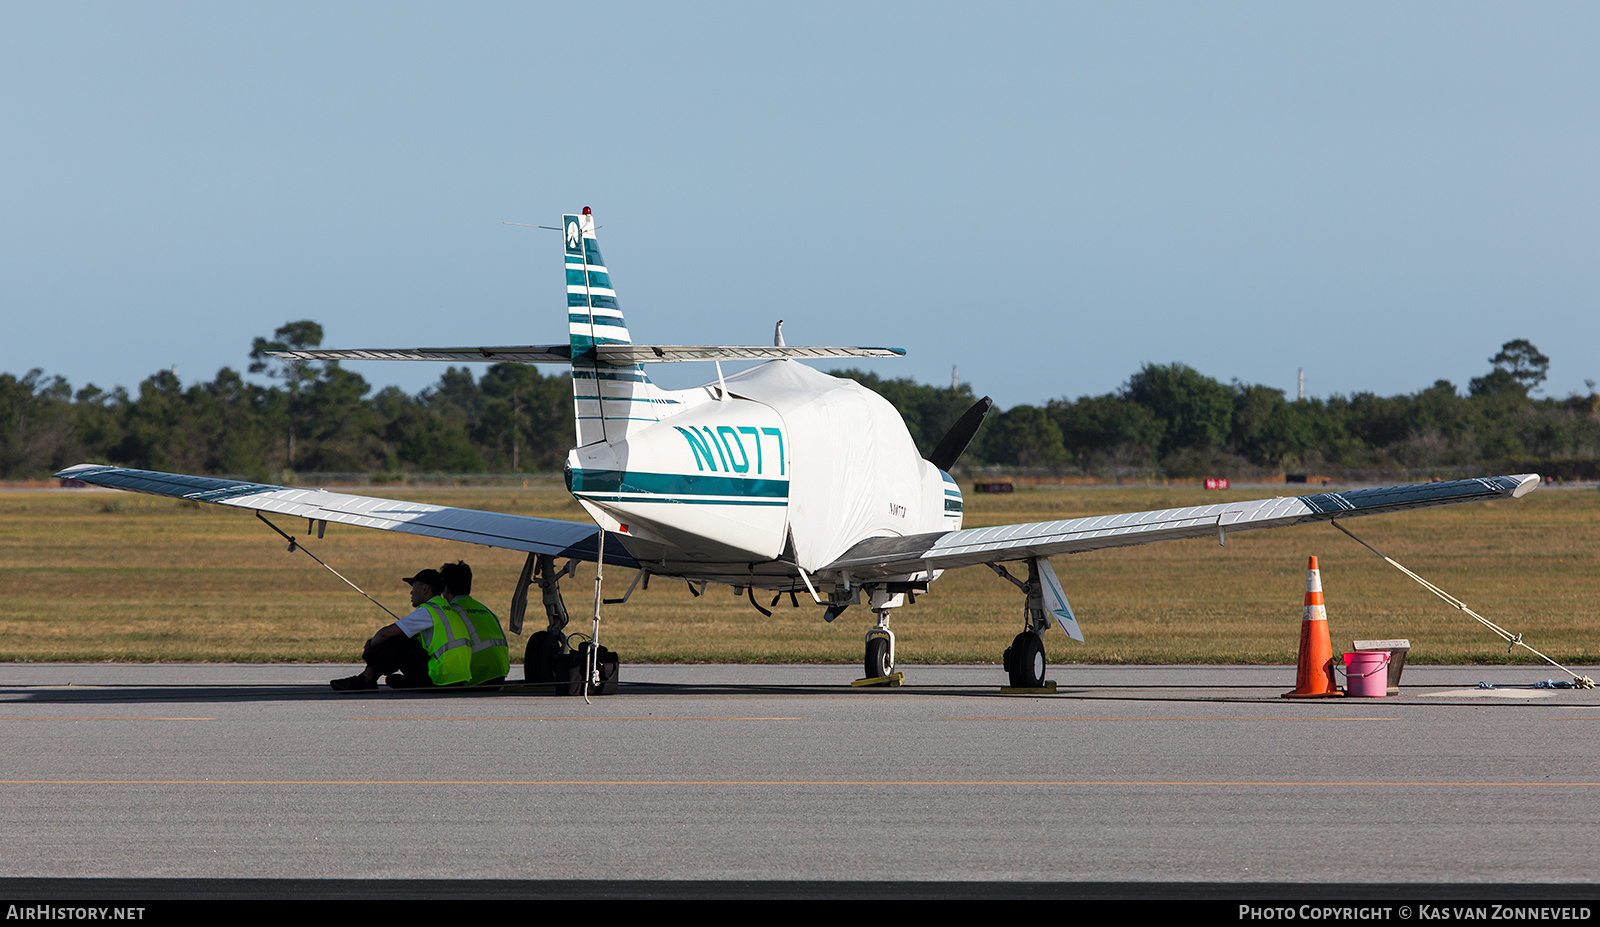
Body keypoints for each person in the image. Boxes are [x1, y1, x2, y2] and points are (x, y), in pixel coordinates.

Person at [329, 568, 473, 692]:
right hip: (457, 679)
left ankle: (366, 679)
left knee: (397, 638)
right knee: (405, 639)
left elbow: (385, 633)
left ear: (425, 589)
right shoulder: (447, 608)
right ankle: (404, 682)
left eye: (414, 587)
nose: (411, 592)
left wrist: (371, 645)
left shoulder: (429, 610)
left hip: (440, 677)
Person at [436, 560, 510, 688]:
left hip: (476, 677)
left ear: (446, 589)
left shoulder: (451, 612)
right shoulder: (486, 610)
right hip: (499, 675)